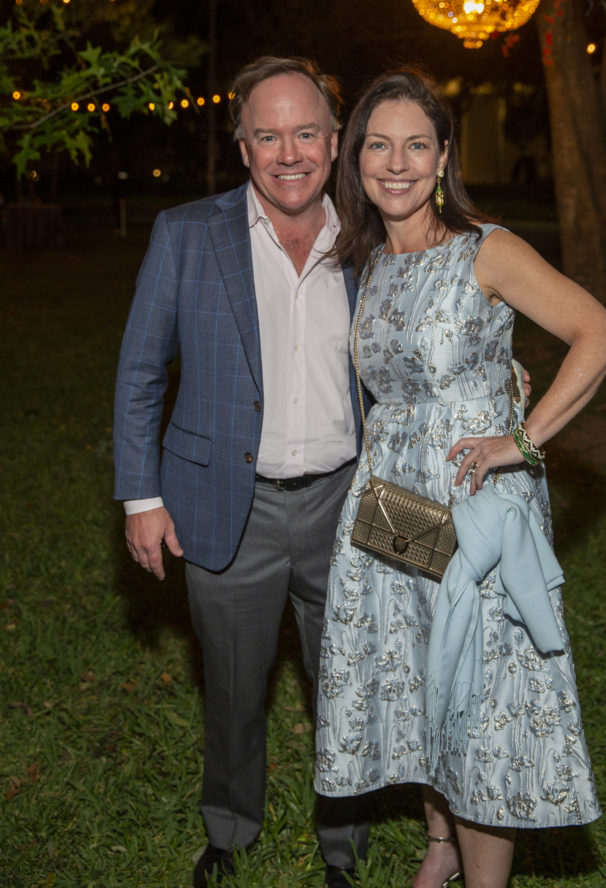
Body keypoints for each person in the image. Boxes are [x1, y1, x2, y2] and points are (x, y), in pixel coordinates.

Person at [314, 68, 606, 888]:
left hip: (476, 508)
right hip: (393, 510)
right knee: (425, 675)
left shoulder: (485, 247)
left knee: (483, 698)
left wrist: (519, 439)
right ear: (356, 159)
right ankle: (441, 843)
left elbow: (598, 335)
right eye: (377, 145)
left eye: (416, 145)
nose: (395, 162)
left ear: (444, 155)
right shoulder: (372, 260)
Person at [113, 56, 371, 888]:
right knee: (231, 689)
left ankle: (345, 844)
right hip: (227, 503)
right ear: (242, 145)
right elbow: (141, 372)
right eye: (267, 135)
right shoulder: (187, 232)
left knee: (348, 686)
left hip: (347, 504)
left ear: (333, 143)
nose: (286, 152)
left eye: (305, 133)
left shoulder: (374, 238)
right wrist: (142, 496)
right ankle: (228, 830)